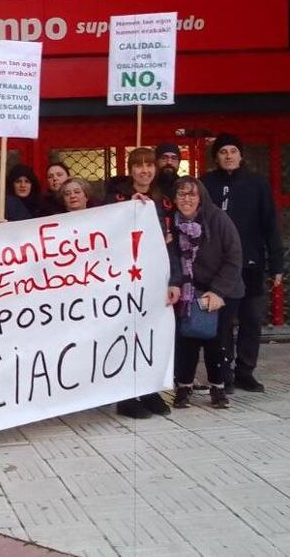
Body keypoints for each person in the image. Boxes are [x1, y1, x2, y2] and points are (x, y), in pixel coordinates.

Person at [201, 134, 285, 393]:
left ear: (241, 155)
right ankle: (222, 373)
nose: (228, 155)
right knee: (221, 323)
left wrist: (277, 264)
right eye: (223, 151)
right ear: (216, 156)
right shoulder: (205, 184)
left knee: (251, 320)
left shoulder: (257, 183)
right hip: (218, 267)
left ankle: (245, 371)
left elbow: (270, 224)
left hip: (251, 263)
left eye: (233, 151)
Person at [168, 177, 243, 410]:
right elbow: (172, 260)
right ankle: (184, 387)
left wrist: (218, 291)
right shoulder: (172, 225)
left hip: (222, 290)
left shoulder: (218, 219)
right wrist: (175, 283)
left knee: (217, 341)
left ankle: (219, 388)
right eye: (181, 194)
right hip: (189, 291)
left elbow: (233, 256)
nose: (186, 199)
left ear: (200, 197)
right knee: (186, 340)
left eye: (191, 194)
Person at [111, 149, 175, 419]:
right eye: (138, 166)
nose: (144, 171)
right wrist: (126, 209)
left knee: (152, 334)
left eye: (149, 165)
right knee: (127, 334)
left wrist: (176, 280)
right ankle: (126, 395)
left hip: (156, 278)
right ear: (131, 170)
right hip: (125, 278)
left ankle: (149, 389)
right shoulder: (116, 198)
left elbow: (175, 244)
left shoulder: (166, 201)